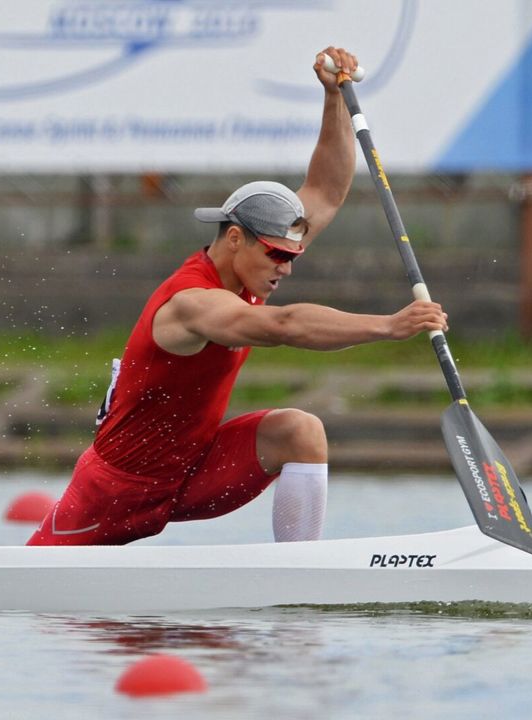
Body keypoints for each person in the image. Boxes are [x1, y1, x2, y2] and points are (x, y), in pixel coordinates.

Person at [26, 47, 448, 546]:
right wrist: (388, 326)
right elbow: (284, 326)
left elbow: (326, 191)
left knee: (299, 433)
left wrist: (334, 98)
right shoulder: (190, 303)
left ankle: (299, 574)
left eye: (292, 255)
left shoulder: (256, 263)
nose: (286, 267)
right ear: (234, 239)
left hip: (193, 469)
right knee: (41, 589)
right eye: (277, 255)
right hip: (115, 491)